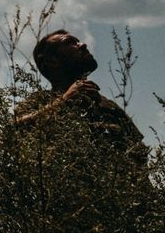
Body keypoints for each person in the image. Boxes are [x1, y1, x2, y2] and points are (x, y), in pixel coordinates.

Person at [16, 29, 147, 161]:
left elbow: (139, 155)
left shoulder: (108, 106)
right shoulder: (40, 101)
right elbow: (14, 131)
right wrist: (64, 101)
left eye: (78, 41)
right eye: (69, 43)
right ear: (51, 61)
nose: (83, 44)